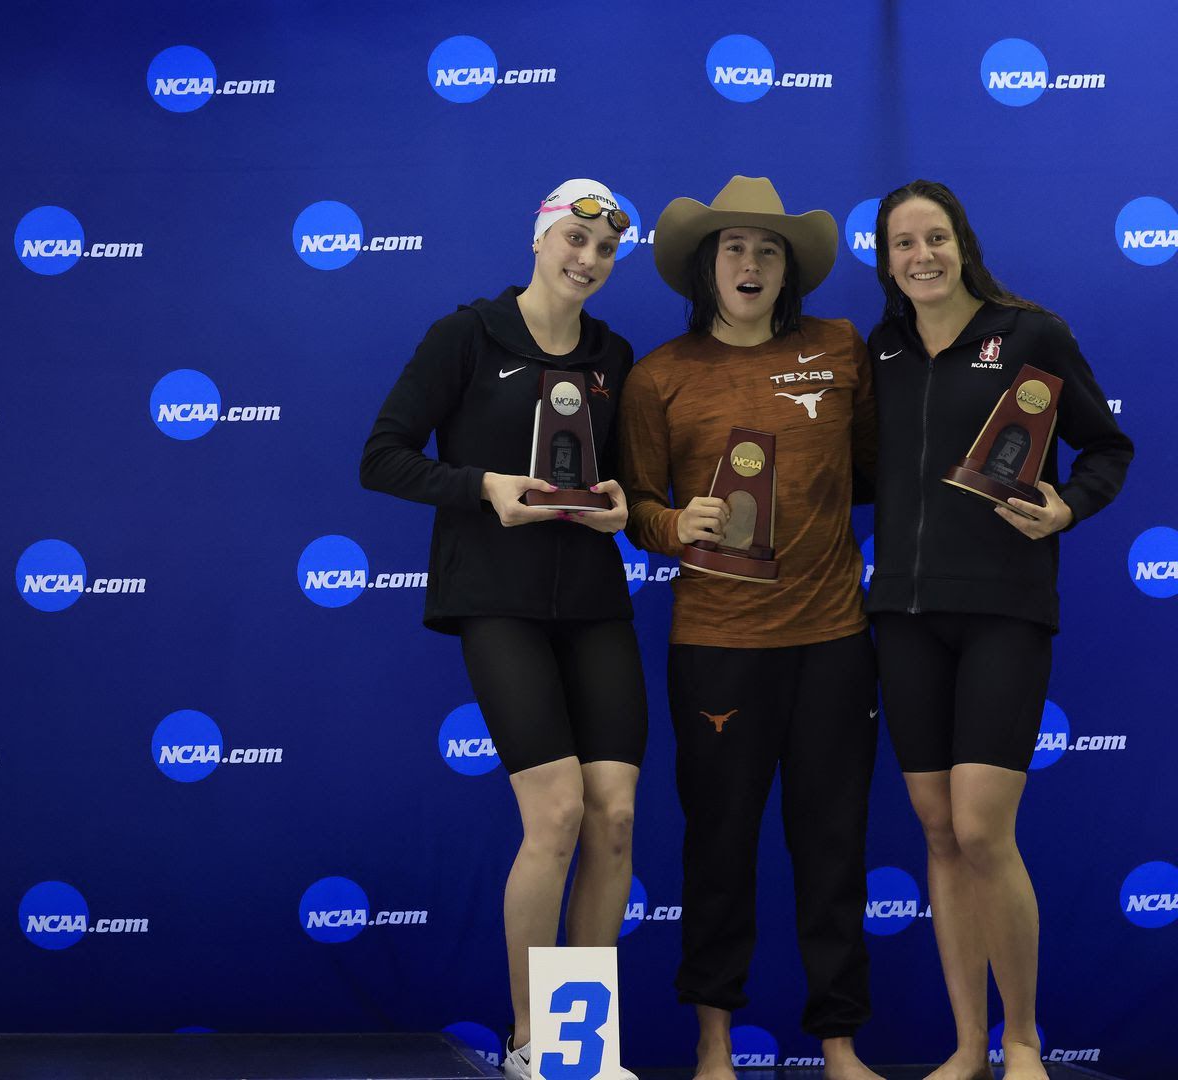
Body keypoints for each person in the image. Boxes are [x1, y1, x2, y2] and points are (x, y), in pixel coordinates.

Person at [361, 180, 643, 1080]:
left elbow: (623, 482)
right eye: (574, 240)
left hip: (593, 602)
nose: (587, 260)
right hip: (496, 598)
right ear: (539, 238)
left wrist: (623, 507)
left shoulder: (613, 355)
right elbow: (383, 457)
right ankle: (533, 1044)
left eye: (605, 251)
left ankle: (582, 1050)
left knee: (614, 819)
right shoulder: (468, 336)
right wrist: (483, 488)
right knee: (556, 814)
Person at [615, 176, 882, 1080]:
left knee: (834, 848)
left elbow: (875, 468)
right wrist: (672, 523)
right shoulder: (658, 375)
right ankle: (713, 1047)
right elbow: (636, 506)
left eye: (769, 250)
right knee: (719, 849)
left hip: (833, 640)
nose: (752, 262)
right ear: (706, 266)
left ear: (789, 270)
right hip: (717, 646)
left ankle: (840, 1046)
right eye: (734, 247)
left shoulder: (840, 348)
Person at [865, 180, 1131, 1080]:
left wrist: (1069, 506)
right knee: (939, 832)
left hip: (1004, 611)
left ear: (963, 243)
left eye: (935, 237)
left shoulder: (1029, 336)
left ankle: (1022, 1042)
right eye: (903, 244)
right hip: (902, 615)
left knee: (982, 829)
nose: (922, 256)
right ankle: (966, 1047)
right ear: (886, 262)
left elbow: (1108, 447)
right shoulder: (882, 351)